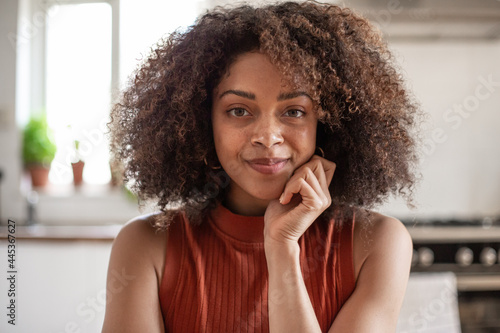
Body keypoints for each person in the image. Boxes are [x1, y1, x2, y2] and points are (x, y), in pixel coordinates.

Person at [102, 1, 422, 332]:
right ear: (202, 122)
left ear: (325, 124)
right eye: (239, 110)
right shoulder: (145, 246)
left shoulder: (377, 243)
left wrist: (282, 247)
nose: (268, 138)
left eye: (294, 111)